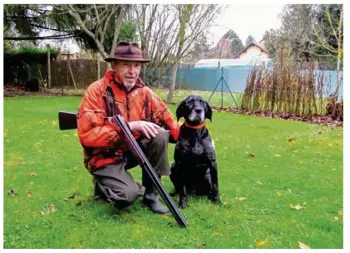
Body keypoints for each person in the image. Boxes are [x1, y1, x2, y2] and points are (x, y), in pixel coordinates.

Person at [77, 41, 180, 214]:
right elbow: (87, 136)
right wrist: (127, 127)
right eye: (126, 65)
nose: (132, 71)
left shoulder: (145, 92)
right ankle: (104, 185)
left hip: (131, 153)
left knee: (161, 134)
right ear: (114, 65)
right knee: (127, 196)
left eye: (137, 65)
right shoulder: (96, 91)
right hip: (104, 157)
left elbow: (170, 122)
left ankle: (151, 196)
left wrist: (197, 132)